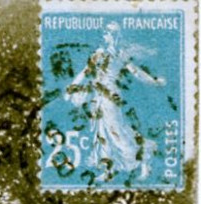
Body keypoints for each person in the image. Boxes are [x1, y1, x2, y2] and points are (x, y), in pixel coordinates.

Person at [64, 22, 165, 182]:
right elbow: (85, 71)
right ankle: (107, 169)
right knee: (101, 132)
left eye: (108, 33)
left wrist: (154, 81)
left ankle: (144, 155)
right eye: (104, 32)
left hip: (111, 96)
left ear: (115, 36)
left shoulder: (121, 54)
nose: (105, 35)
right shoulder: (98, 53)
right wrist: (73, 85)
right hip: (96, 96)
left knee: (116, 131)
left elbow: (136, 72)